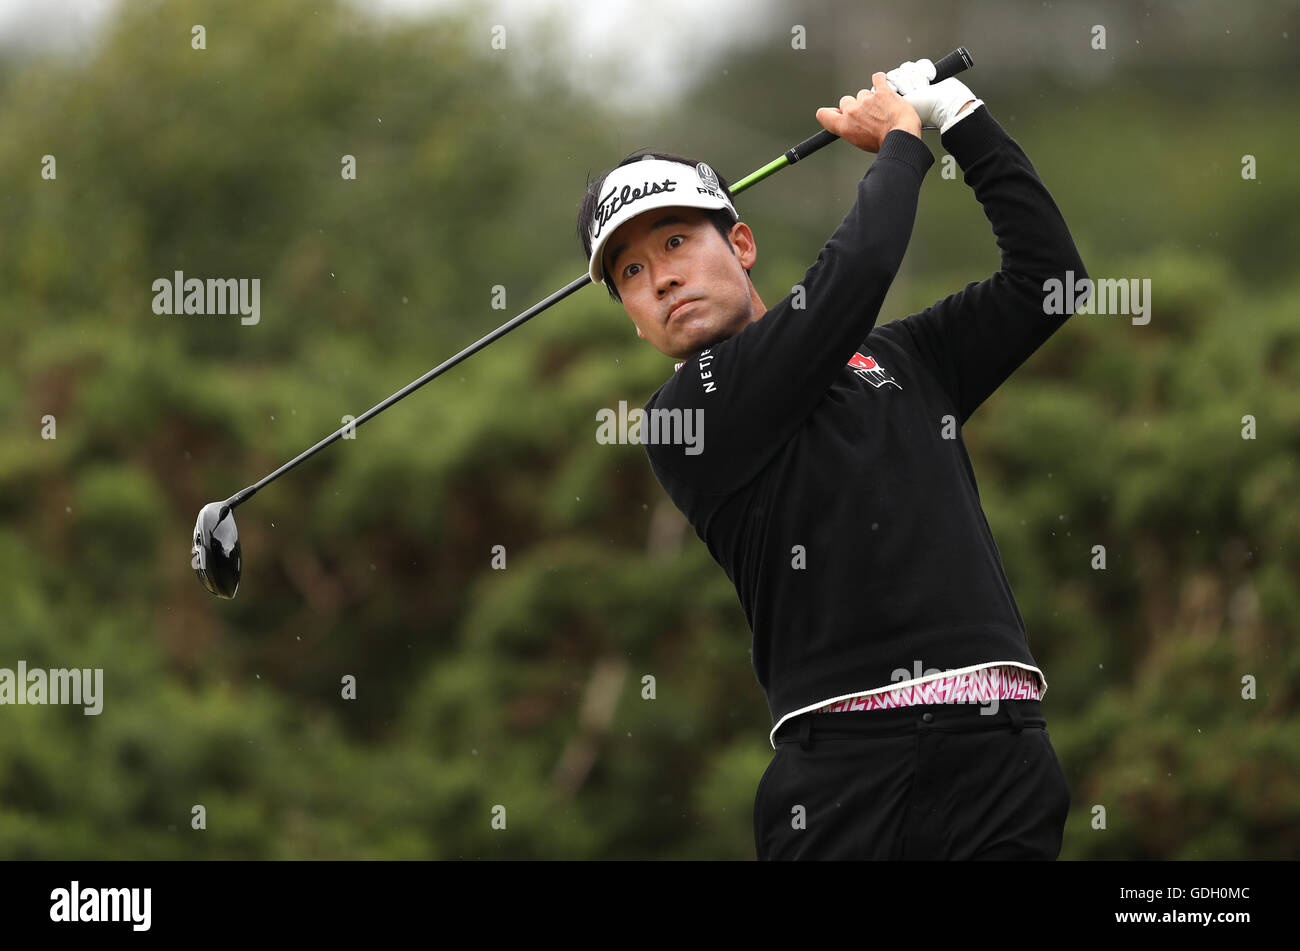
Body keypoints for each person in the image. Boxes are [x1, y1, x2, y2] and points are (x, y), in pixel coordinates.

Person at [575, 62, 1084, 860]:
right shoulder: (686, 417)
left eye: (675, 241)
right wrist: (901, 145)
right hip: (848, 779)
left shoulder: (903, 358)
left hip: (1002, 753)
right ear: (635, 319)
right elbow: (855, 274)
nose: (663, 277)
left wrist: (957, 114)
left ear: (741, 243)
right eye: (631, 273)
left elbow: (1049, 279)